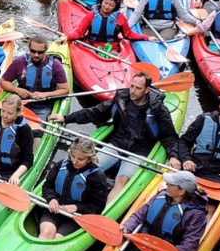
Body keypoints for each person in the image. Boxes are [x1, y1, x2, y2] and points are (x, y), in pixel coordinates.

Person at [50, 72, 179, 204]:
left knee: (121, 180)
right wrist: (67, 118)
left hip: (139, 151)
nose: (133, 91)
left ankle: (105, 212)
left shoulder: (158, 110)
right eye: (132, 86)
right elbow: (95, 112)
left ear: (147, 90)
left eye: (138, 88)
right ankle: (69, 199)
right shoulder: (121, 99)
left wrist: (173, 155)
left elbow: (169, 136)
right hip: (116, 144)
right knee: (87, 168)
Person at [119, 171, 208, 251]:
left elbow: (189, 246)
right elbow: (139, 216)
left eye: (170, 184)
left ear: (181, 191)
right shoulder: (161, 196)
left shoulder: (195, 214)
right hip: (143, 242)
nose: (166, 185)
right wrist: (127, 227)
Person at [38, 139, 110, 240]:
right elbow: (47, 186)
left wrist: (77, 207)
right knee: (46, 233)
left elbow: (98, 206)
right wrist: (51, 198)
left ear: (89, 159)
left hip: (77, 217)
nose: (75, 162)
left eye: (80, 159)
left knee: (57, 239)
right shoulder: (61, 165)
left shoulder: (97, 177)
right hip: (56, 211)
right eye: (73, 157)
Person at [0, 36, 70, 121]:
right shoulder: (20, 61)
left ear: (46, 50)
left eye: (40, 52)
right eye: (33, 51)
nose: (36, 55)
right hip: (20, 102)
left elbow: (65, 90)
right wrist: (17, 90)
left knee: (36, 132)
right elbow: (3, 82)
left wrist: (45, 94)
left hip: (43, 105)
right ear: (29, 48)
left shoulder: (56, 65)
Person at [65, 0, 156, 54]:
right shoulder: (92, 15)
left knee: (114, 55)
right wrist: (67, 36)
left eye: (111, 5)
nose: (107, 7)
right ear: (101, 2)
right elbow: (79, 32)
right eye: (105, 3)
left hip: (111, 48)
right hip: (91, 46)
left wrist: (147, 38)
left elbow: (129, 34)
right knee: (90, 52)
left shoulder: (120, 18)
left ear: (115, 7)